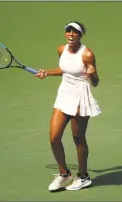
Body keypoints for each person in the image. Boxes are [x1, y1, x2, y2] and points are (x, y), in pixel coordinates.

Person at [35, 21, 102, 191]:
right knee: (54, 137)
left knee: (78, 139)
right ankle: (64, 174)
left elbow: (95, 82)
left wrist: (92, 74)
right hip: (64, 94)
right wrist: (47, 72)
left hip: (80, 96)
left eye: (75, 32)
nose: (71, 34)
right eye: (68, 31)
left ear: (80, 35)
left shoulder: (87, 54)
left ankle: (83, 177)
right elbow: (65, 69)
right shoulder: (61, 49)